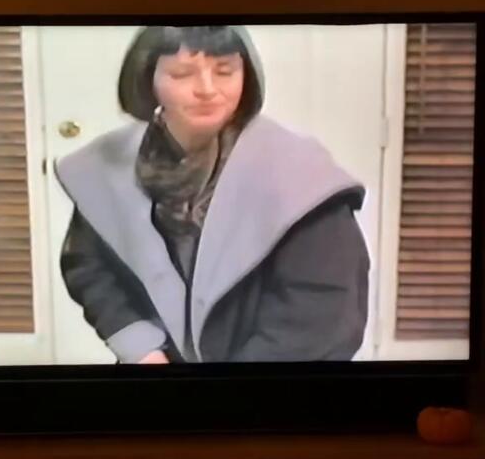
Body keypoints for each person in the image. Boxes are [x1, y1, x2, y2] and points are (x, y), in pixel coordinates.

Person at [55, 25, 370, 364]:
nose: (207, 89)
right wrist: (141, 347)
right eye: (182, 74)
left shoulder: (299, 173)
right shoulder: (108, 167)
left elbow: (323, 311)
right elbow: (88, 265)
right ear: (148, 79)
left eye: (225, 71)